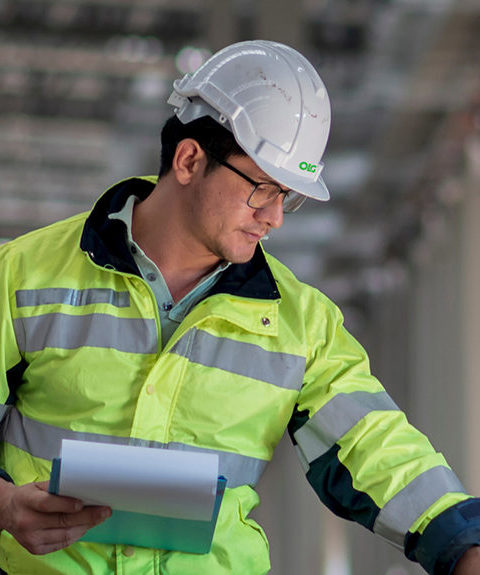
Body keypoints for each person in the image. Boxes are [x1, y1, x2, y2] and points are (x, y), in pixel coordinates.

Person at [0, 39, 479, 575]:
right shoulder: (22, 275)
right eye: (263, 190)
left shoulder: (303, 327)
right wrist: (4, 505)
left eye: (288, 197)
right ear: (188, 160)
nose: (275, 218)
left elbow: (374, 445)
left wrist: (463, 543)